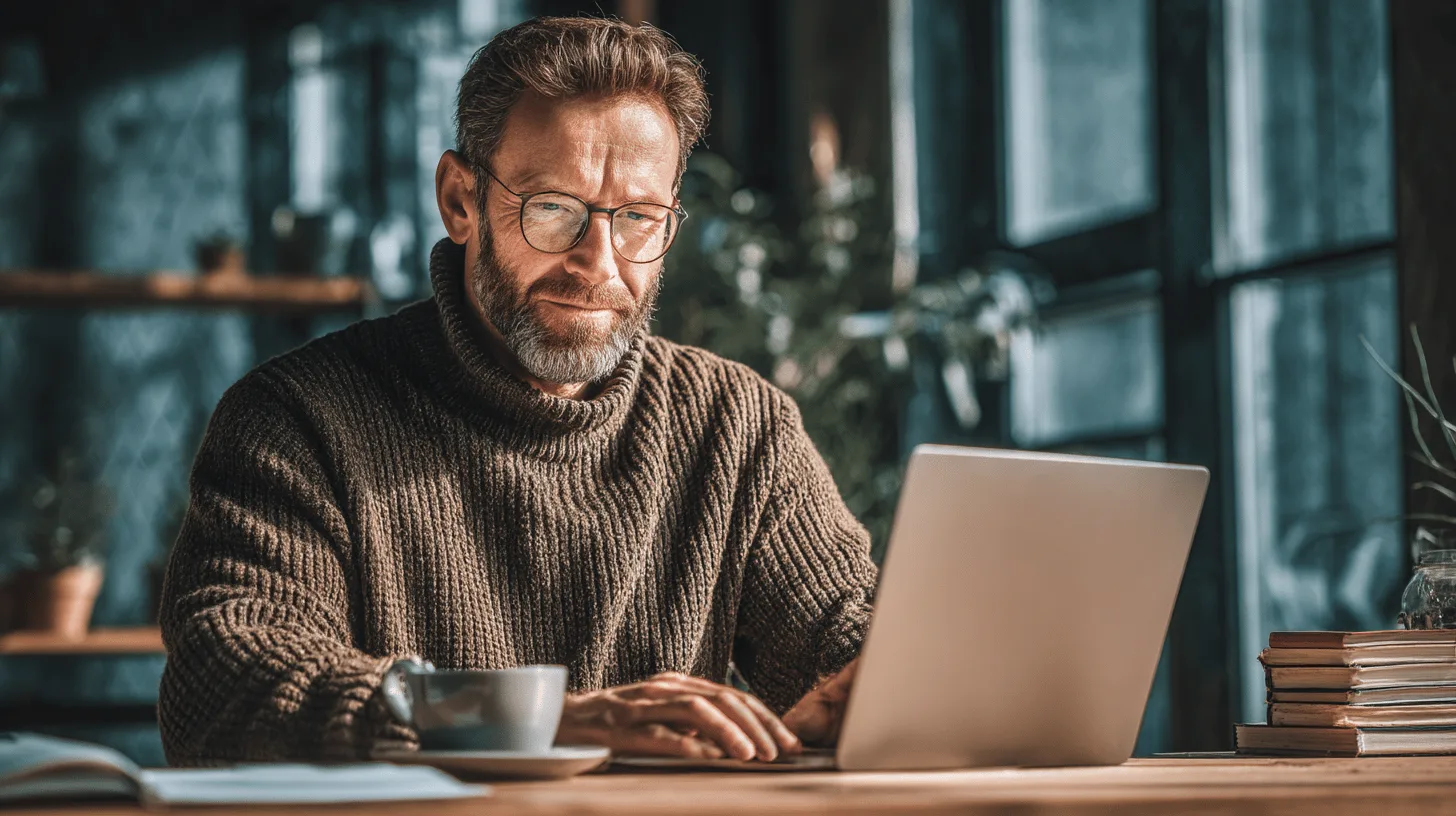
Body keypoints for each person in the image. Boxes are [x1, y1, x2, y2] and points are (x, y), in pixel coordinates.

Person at [158, 15, 876, 765]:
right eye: (555, 209)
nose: (599, 263)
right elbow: (227, 685)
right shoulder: (297, 420)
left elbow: (848, 640)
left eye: (637, 219)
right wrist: (541, 721)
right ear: (460, 200)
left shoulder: (738, 425)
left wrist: (877, 681)